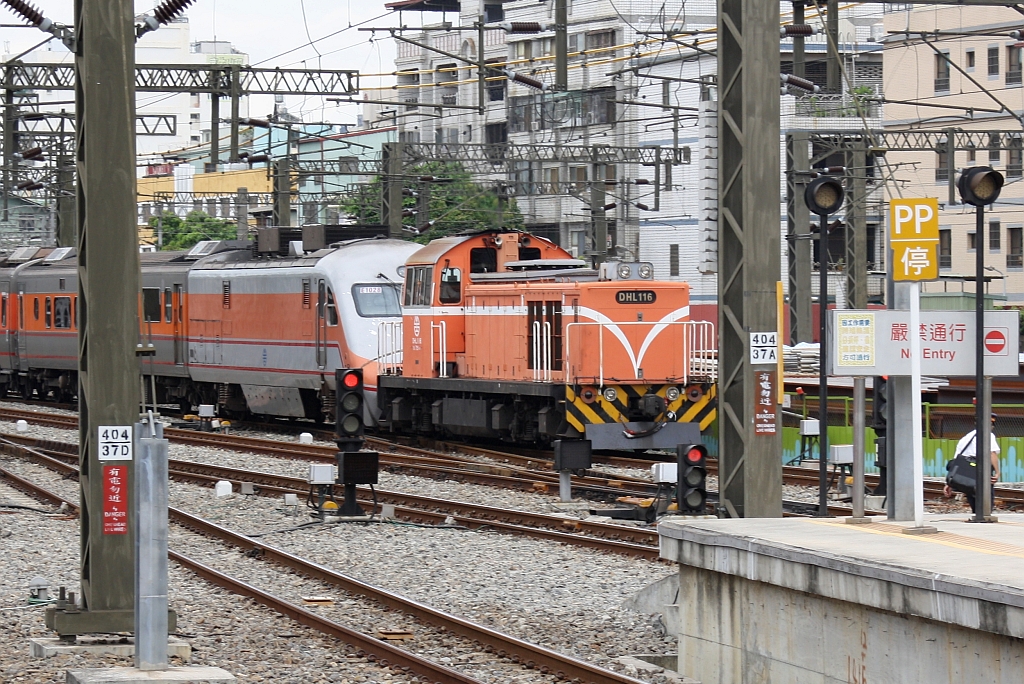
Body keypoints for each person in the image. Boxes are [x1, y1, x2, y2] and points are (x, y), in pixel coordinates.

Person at [943, 413, 1000, 514]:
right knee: (986, 505)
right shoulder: (988, 435)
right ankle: (983, 520)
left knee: (974, 502)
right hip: (982, 473)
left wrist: (949, 483)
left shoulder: (965, 438)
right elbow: (992, 453)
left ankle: (977, 518)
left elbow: (957, 461)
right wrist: (997, 472)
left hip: (968, 478)